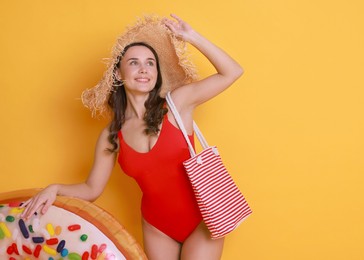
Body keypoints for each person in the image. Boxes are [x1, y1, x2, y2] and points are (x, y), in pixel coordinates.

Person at [21, 14, 243, 260]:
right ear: (118, 73)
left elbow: (232, 72)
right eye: (134, 63)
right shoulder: (111, 134)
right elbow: (91, 188)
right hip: (157, 228)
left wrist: (192, 37)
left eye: (150, 63)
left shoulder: (178, 104)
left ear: (157, 73)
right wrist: (55, 188)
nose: (144, 69)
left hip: (203, 218)